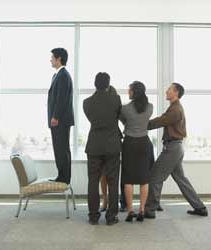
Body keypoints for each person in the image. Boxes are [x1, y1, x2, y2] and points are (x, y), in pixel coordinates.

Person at [144, 83, 208, 218]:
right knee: (181, 179)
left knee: (154, 177)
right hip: (176, 147)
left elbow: (161, 121)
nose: (166, 91)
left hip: (172, 149)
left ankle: (150, 210)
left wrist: (142, 124)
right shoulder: (174, 107)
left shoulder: (175, 109)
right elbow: (162, 119)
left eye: (169, 89)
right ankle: (200, 207)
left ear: (176, 92)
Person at [83, 72, 122, 226]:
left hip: (94, 146)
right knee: (113, 181)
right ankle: (111, 218)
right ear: (108, 84)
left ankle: (93, 217)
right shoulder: (116, 99)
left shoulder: (87, 102)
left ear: (95, 84)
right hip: (112, 146)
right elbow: (117, 117)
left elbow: (93, 119)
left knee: (92, 181)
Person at [120, 81, 154, 222]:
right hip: (144, 143)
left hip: (130, 144)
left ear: (134, 92)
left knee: (128, 179)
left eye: (129, 90)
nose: (128, 92)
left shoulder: (125, 109)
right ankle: (141, 209)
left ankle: (129, 211)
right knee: (144, 179)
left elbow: (123, 121)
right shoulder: (150, 107)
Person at [47, 48, 74, 184]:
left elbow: (61, 98)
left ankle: (64, 178)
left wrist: (55, 116)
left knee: (61, 149)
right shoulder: (58, 75)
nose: (50, 60)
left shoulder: (63, 75)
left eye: (52, 57)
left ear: (59, 59)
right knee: (60, 149)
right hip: (59, 120)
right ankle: (62, 176)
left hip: (60, 121)